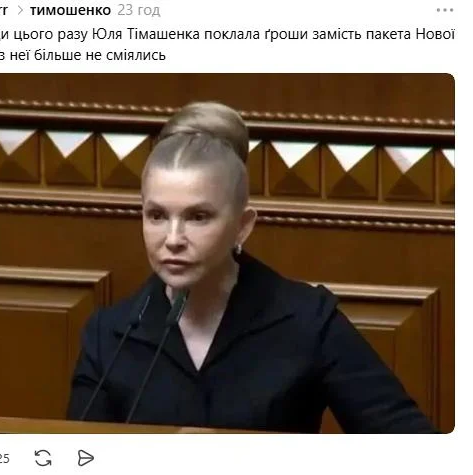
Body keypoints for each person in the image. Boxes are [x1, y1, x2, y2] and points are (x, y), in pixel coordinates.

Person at [66, 101, 438, 433]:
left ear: (242, 225)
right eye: (157, 215)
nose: (173, 238)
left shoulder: (307, 321)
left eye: (198, 217)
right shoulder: (109, 335)